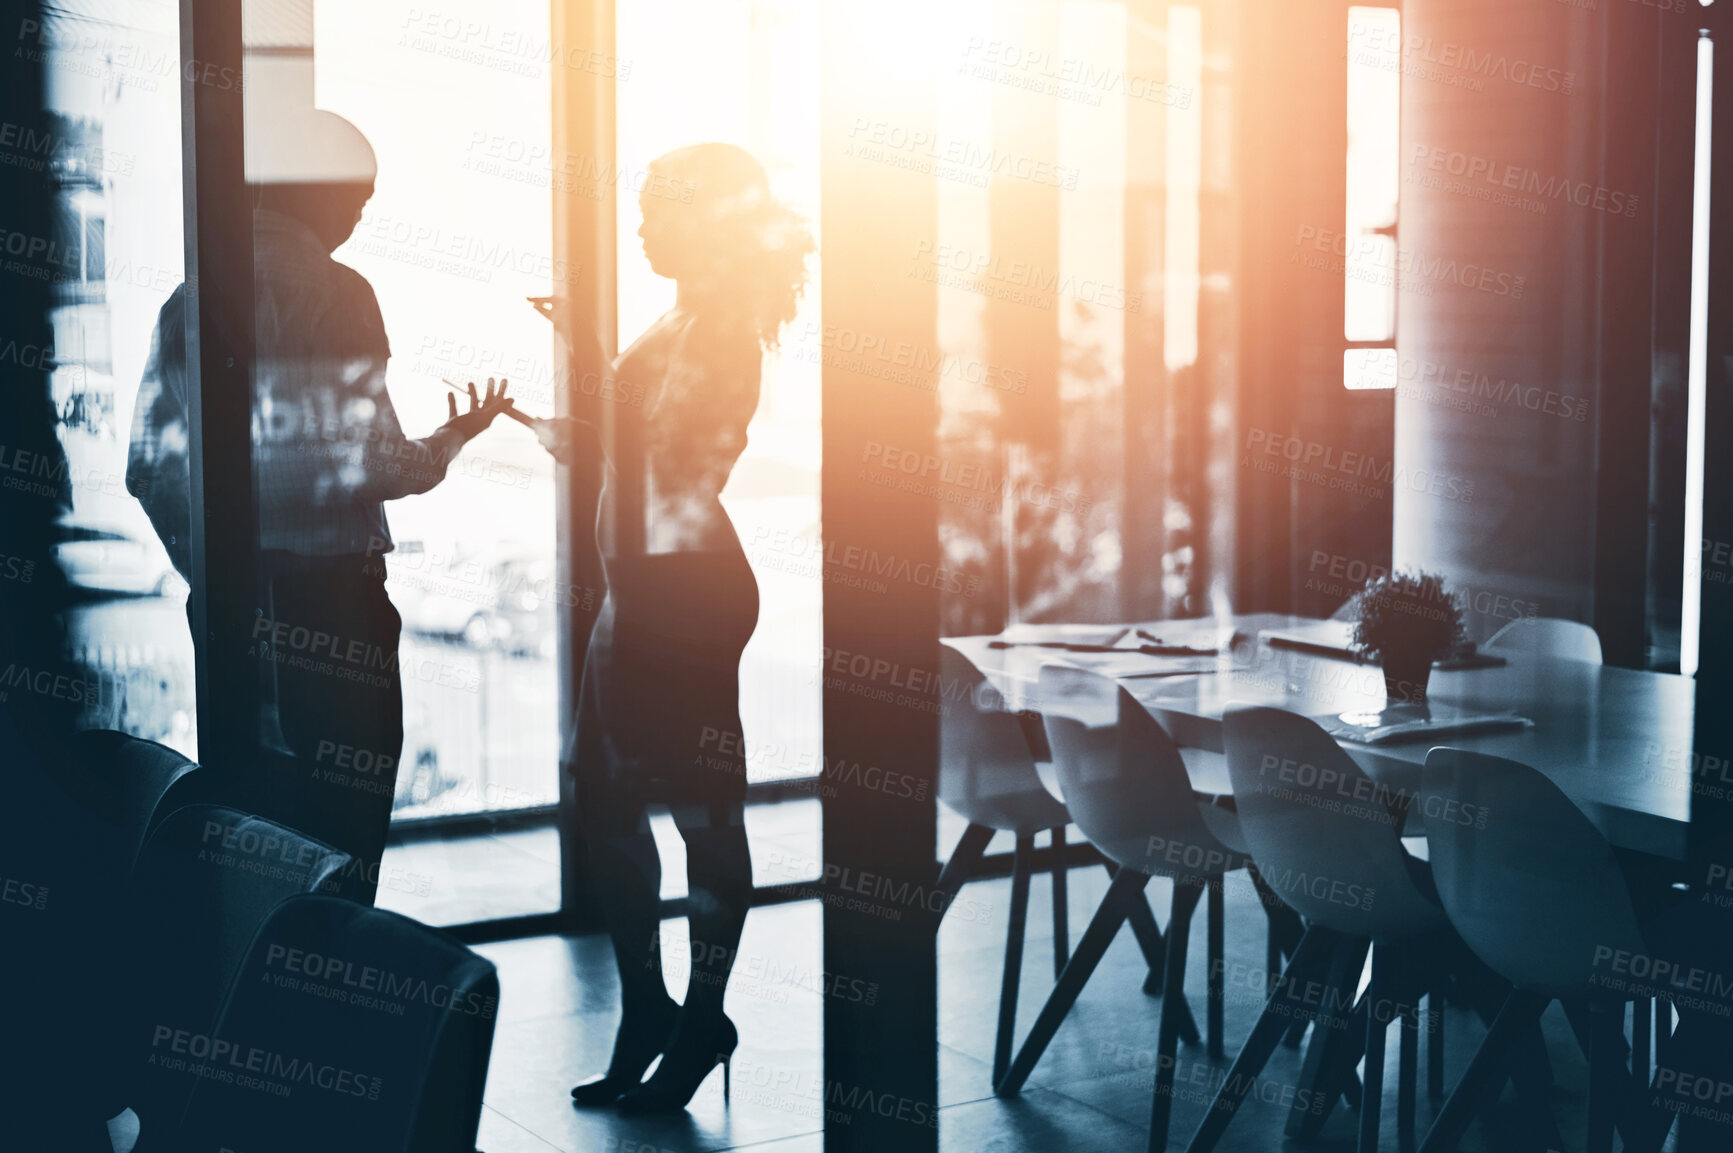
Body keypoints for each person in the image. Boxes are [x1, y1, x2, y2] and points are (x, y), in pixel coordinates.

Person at [126, 111, 513, 904]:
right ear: (319, 193)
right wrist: (454, 436)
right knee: (345, 834)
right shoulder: (341, 294)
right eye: (357, 200)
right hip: (337, 605)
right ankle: (332, 997)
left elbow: (147, 470)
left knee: (256, 821)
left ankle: (260, 1000)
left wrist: (221, 573)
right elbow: (378, 463)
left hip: (233, 608)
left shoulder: (189, 299)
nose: (359, 218)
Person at [529, 143, 814, 1114]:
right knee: (603, 797)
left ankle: (695, 1014)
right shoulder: (684, 317)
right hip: (643, 589)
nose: (641, 226)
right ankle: (651, 1007)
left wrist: (589, 370)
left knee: (697, 810)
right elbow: (634, 452)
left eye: (657, 210)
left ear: (707, 222)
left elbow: (663, 472)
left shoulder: (720, 329)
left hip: (679, 596)